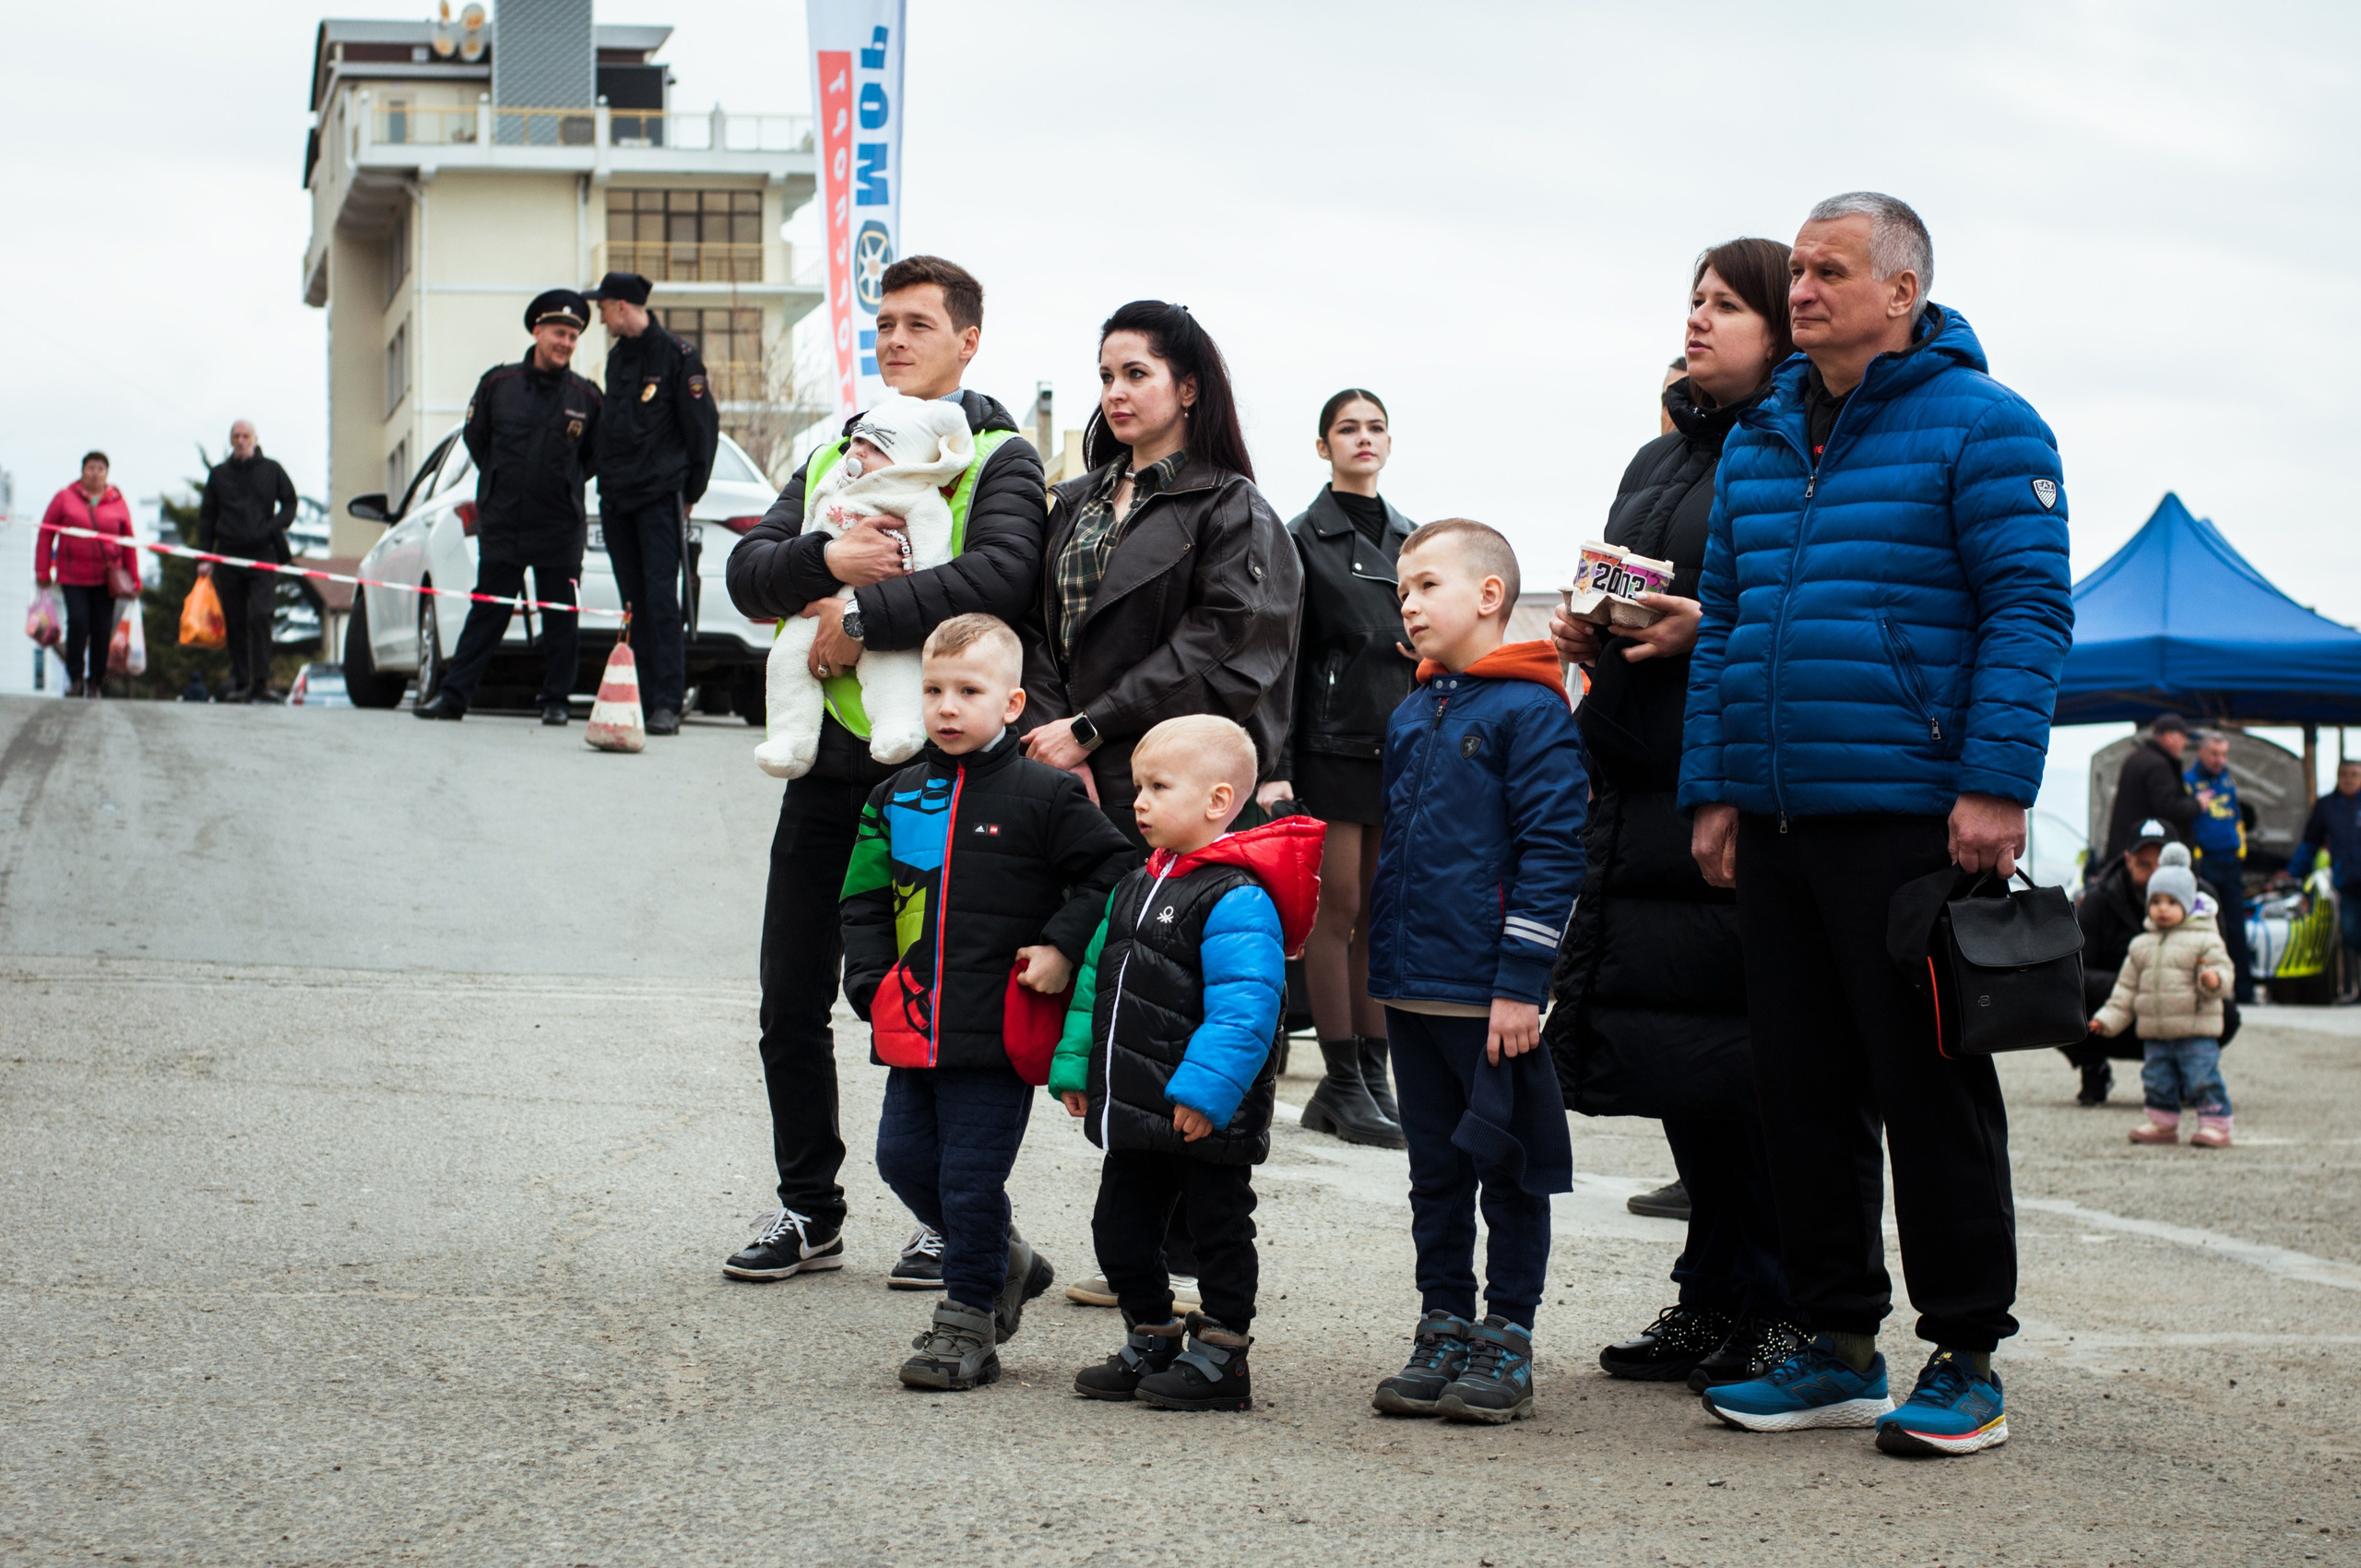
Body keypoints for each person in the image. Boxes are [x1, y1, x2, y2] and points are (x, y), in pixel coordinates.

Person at [1684, 193, 2073, 1459]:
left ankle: (1967, 1357)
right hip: (1782, 818)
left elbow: (2027, 609)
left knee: (1931, 1086)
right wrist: (1718, 786)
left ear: (1903, 290)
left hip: (1913, 814)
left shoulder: (1985, 424)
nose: (1801, 290)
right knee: (1802, 1091)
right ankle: (1838, 1343)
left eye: (1829, 271)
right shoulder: (1755, 441)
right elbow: (1728, 629)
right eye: (1794, 270)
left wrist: (1997, 780)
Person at [721, 255, 1048, 1288]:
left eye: (918, 324)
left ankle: (947, 1217)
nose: (896, 341)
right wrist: (826, 569)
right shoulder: (829, 448)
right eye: (885, 325)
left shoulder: (998, 452)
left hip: (941, 780)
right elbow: (747, 573)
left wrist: (852, 621)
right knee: (788, 1001)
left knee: (933, 1006)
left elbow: (1000, 575)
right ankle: (807, 1209)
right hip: (827, 773)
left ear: (967, 341)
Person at [1548, 239, 1805, 1395]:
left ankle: (1777, 1300)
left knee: (1751, 1067)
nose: (1698, 321)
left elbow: (1802, 610)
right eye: (1692, 303)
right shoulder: (1662, 452)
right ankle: (1709, 1296)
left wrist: (1706, 629)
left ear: (1781, 328)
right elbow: (1641, 581)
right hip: (1638, 773)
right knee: (1679, 1060)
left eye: (1725, 305)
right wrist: (1590, 627)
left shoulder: (1802, 444)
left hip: (1733, 779)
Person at [1016, 300, 1301, 1313]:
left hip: (1178, 776)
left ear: (1187, 386)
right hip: (1078, 768)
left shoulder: (1231, 507)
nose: (1116, 392)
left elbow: (1228, 642)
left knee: (1191, 998)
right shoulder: (1075, 499)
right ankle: (1136, 1237)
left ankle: (1187, 1249)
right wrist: (1059, 737)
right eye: (1105, 374)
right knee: (1115, 990)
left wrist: (1098, 724)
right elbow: (1038, 630)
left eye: (1136, 372)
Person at [838, 614, 1134, 1390]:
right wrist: (870, 984)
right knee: (901, 1161)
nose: (946, 707)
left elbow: (1112, 870)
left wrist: (1064, 944)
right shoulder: (896, 796)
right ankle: (1007, 1259)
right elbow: (863, 899)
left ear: (1011, 704)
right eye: (933, 690)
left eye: (968, 691)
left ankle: (968, 1319)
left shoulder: (1046, 794)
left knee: (969, 1178)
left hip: (998, 1031)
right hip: (915, 1022)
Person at [1365, 520, 1586, 1426]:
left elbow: (1552, 848)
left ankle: (1509, 1331)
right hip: (1410, 987)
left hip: (1489, 992)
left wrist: (1519, 983)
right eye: (1400, 591)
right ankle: (1443, 1319)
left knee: (1510, 1162)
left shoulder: (1531, 710)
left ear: (1488, 595)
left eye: (1424, 585)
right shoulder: (1413, 709)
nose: (1408, 604)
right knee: (1435, 1168)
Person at [1054, 716, 1320, 1412]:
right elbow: (1094, 984)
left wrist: (1206, 1093)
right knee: (1119, 1229)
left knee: (1216, 1232)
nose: (1138, 801)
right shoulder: (1134, 886)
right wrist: (1078, 1068)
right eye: (1138, 786)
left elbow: (1248, 1007)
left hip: (1207, 1110)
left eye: (1158, 786)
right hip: (1136, 1104)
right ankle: (1152, 1333)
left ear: (1217, 801)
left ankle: (1224, 1353)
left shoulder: (1237, 896)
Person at [1261, 388, 1415, 1150]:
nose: (1364, 438)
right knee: (1339, 908)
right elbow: (1280, 663)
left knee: (1380, 916)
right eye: (1347, 428)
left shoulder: (1415, 538)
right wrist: (1277, 765)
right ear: (1322, 447)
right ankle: (1342, 1080)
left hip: (1398, 748)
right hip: (1328, 748)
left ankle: (1373, 1077)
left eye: (1375, 427)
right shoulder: (1298, 539)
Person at [417, 291, 602, 724]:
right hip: (503, 524)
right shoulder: (498, 386)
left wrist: (560, 487)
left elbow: (593, 458)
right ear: (537, 332)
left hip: (559, 527)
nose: (567, 343)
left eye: (574, 336)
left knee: (560, 619)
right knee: (487, 613)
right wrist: (502, 485)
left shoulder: (587, 398)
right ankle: (453, 698)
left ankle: (557, 701)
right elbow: (477, 441)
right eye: (560, 333)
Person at [584, 270, 719, 737]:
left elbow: (702, 428)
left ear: (622, 305)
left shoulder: (679, 356)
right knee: (632, 602)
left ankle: (666, 701)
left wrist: (692, 494)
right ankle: (635, 696)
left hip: (660, 497)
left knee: (662, 600)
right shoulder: (618, 357)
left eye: (603, 308)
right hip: (617, 496)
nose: (600, 317)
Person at [2090, 844, 2235, 1147]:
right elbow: (2126, 989)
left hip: (2194, 1028)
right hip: (2156, 1032)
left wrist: (2213, 979)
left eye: (2172, 901)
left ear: (2188, 903)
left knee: (2202, 1077)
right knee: (2157, 1079)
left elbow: (2225, 971)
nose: (2163, 908)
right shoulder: (2141, 944)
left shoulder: (2204, 938)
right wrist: (2106, 1020)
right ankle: (2162, 1122)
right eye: (2156, 901)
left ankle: (2216, 1122)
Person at [2069, 818, 2174, 1105]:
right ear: (2128, 860)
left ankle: (2188, 1071)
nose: (2155, 876)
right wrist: (2134, 985)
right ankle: (2092, 1065)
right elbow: (2075, 972)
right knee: (2052, 998)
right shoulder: (2098, 900)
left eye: (2163, 865)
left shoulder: (2203, 901)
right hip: (2114, 1006)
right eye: (2144, 864)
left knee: (2225, 1013)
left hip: (2175, 1005)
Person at [196, 422, 300, 703]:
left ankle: (261, 682)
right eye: (236, 437)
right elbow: (207, 516)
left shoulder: (272, 470)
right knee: (236, 619)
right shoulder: (218, 475)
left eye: (245, 436)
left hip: (263, 554)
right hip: (228, 554)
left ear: (255, 440)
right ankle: (242, 681)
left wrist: (272, 527)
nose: (241, 441)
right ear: (231, 440)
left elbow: (290, 503)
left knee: (261, 615)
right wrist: (205, 556)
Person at [35, 451, 136, 699]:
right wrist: (42, 568)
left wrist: (134, 578)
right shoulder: (64, 498)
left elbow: (128, 542)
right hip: (72, 576)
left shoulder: (117, 502)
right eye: (90, 468)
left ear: (107, 473)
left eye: (100, 468)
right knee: (78, 623)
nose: (95, 473)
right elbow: (46, 533)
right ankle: (75, 678)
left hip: (107, 579)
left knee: (102, 629)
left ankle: (95, 682)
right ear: (82, 471)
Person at [2185, 730, 2254, 1003]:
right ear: (2201, 753)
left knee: (2237, 928)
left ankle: (2244, 992)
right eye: (2214, 753)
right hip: (2207, 865)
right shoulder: (2188, 782)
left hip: (2231, 863)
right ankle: (2212, 990)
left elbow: (2236, 818)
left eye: (2224, 754)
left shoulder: (2228, 780)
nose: (2219, 759)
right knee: (2210, 927)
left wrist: (2241, 850)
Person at [2298, 757, 2361, 1002]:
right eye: (2345, 774)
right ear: (2337, 776)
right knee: (2350, 934)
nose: (2349, 779)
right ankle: (2353, 989)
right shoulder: (2326, 806)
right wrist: (2294, 872)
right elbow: (2310, 843)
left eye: (2355, 774)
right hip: (2347, 882)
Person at [2104, 714, 2197, 860]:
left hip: (2129, 845)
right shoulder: (2159, 765)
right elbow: (2168, 807)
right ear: (2168, 736)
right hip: (2147, 848)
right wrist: (2197, 804)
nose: (2185, 743)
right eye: (2183, 737)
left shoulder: (2135, 757)